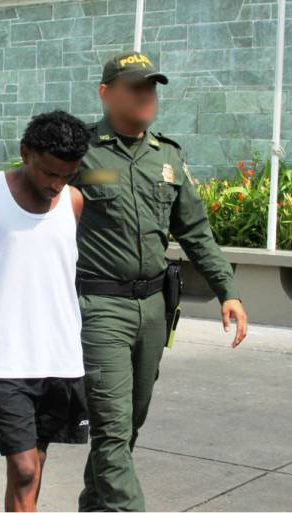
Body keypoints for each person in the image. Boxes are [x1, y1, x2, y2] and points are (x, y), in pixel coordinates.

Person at [74, 52, 249, 511]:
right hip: (100, 307)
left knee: (129, 424)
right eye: (135, 86)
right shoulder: (80, 152)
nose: (146, 95)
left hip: (154, 309)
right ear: (106, 93)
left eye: (151, 86)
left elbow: (195, 231)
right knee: (111, 429)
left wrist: (227, 291)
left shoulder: (166, 156)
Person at [0, 111, 90, 512]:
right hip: (4, 359)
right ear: (25, 152)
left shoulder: (74, 202)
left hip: (59, 357)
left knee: (37, 462)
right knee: (25, 466)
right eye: (49, 172)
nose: (56, 184)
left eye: (66, 175)